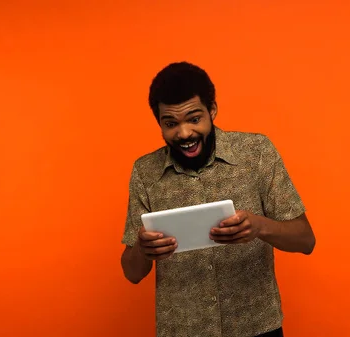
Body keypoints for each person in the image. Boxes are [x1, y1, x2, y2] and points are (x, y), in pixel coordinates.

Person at [120, 61, 316, 337]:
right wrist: (143, 248)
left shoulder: (257, 153)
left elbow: (306, 240)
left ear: (212, 110)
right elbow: (132, 272)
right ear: (159, 123)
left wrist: (260, 226)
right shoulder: (144, 172)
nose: (184, 133)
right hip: (183, 331)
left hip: (257, 327)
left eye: (194, 118)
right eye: (170, 123)